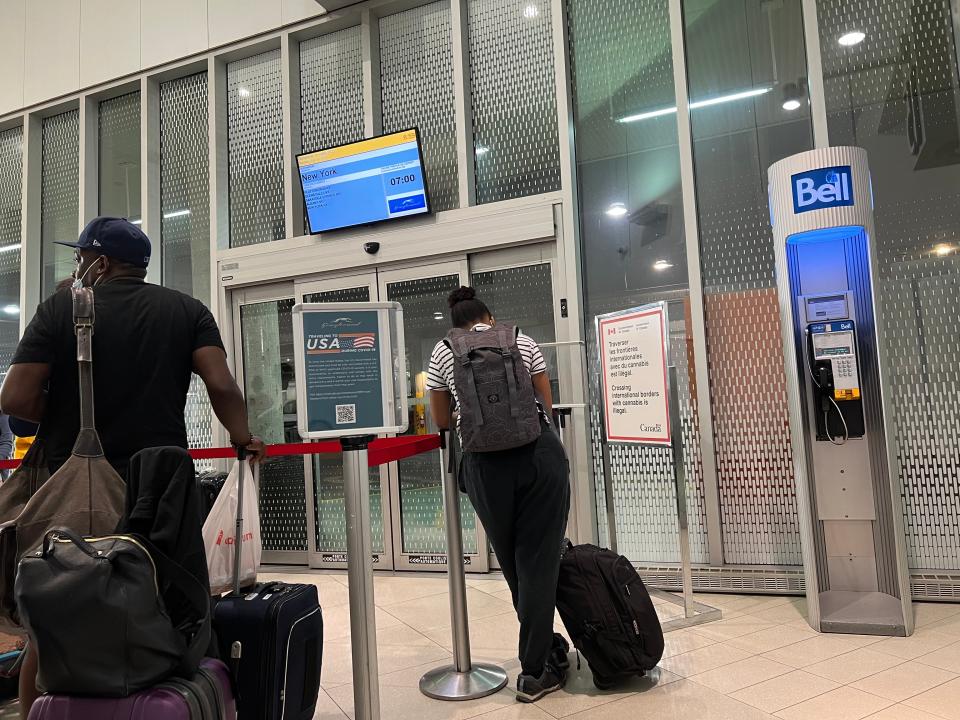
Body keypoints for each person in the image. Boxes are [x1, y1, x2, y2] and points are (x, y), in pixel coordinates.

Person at [0, 216, 264, 716]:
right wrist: (243, 438)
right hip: (161, 485)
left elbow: (15, 397)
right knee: (171, 602)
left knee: (57, 614)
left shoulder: (61, 309)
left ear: (100, 262)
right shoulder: (187, 310)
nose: (78, 267)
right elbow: (222, 386)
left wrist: (65, 411)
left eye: (81, 258)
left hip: (77, 487)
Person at [427, 287, 571, 703]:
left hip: (484, 465)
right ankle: (535, 669)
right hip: (539, 457)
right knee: (539, 561)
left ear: (456, 323)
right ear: (490, 316)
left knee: (513, 564)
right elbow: (545, 404)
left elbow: (441, 420)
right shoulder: (522, 340)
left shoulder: (442, 353)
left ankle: (540, 653)